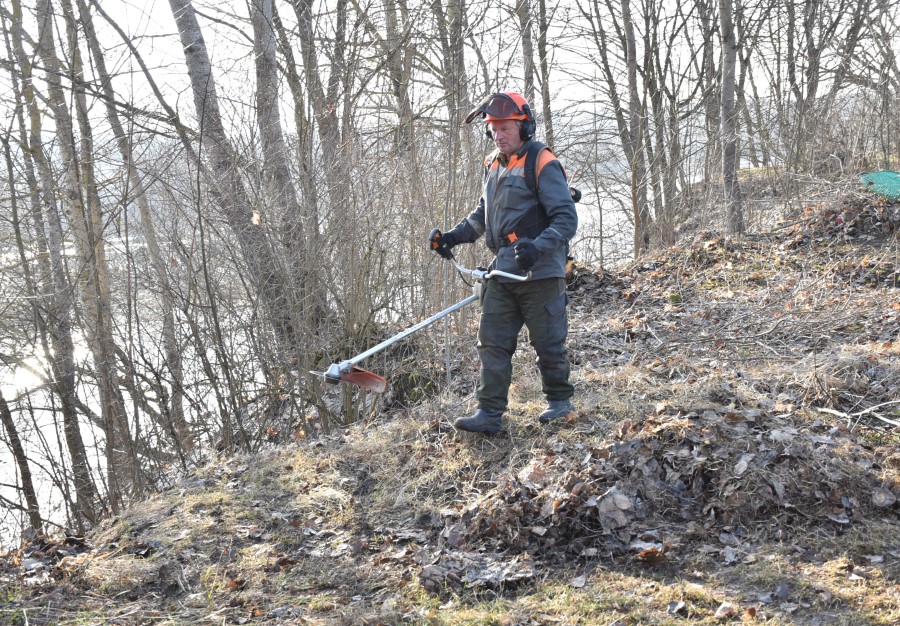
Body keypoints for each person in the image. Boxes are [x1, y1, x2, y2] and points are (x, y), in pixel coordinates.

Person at [429, 91, 578, 434]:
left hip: (541, 271)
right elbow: (482, 215)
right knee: (492, 341)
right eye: (493, 129)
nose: (498, 135)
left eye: (505, 128)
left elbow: (566, 218)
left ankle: (560, 403)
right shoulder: (493, 164)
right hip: (503, 269)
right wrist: (452, 237)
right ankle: (489, 413)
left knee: (548, 342)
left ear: (524, 127)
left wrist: (537, 248)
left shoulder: (542, 161)